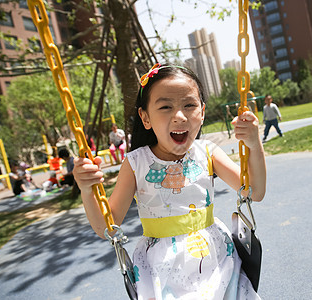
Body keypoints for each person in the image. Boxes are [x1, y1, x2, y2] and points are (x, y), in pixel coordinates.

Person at [73, 64, 266, 299]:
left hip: (216, 258)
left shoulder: (208, 152)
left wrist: (255, 146)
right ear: (145, 117)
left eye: (189, 105)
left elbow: (253, 192)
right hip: (162, 268)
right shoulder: (136, 163)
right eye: (165, 107)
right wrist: (86, 190)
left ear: (202, 112)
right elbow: (108, 226)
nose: (179, 116)